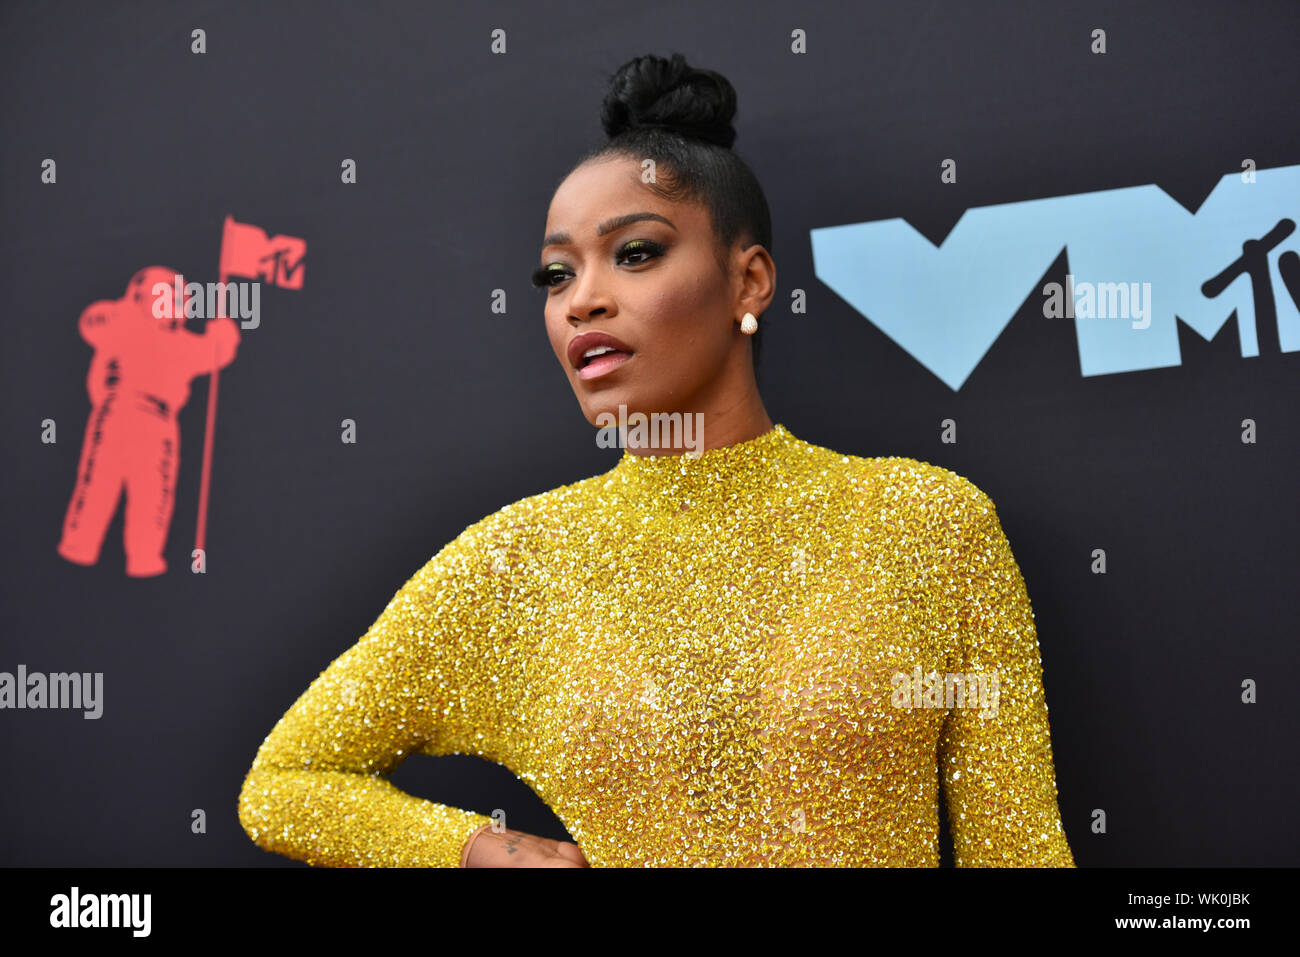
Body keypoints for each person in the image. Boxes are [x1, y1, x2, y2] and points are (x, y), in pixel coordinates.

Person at [237, 52, 1075, 867]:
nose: (582, 301)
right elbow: (282, 783)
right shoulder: (516, 563)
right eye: (556, 274)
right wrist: (483, 850)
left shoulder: (926, 521)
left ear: (749, 282)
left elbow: (1020, 848)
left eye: (635, 252)